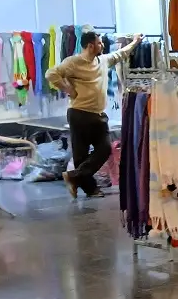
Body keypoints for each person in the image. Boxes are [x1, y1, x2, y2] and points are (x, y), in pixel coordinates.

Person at [46, 31, 138, 198]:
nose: (102, 45)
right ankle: (90, 189)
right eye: (99, 43)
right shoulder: (73, 62)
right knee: (80, 155)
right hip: (79, 113)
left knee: (105, 148)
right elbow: (51, 74)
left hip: (98, 115)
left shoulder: (102, 60)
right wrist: (68, 89)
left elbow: (121, 54)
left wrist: (135, 42)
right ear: (90, 46)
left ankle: (74, 176)